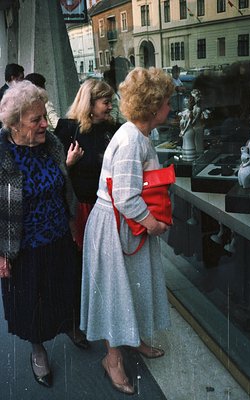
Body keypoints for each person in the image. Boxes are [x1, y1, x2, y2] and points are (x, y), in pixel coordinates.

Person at [80, 67, 175, 395]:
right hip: (116, 225)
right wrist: (154, 224)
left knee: (127, 287)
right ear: (153, 106)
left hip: (123, 225)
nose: (170, 107)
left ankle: (130, 341)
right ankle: (113, 359)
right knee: (115, 291)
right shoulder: (132, 138)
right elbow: (124, 196)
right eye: (166, 102)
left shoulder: (135, 134)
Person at [0, 80, 78, 388]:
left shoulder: (52, 144)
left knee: (64, 289)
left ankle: (70, 326)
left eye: (44, 115)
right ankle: (38, 350)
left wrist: (72, 223)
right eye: (36, 119)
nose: (45, 123)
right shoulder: (2, 154)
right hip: (23, 245)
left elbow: (62, 185)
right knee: (31, 302)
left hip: (58, 235)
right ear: (16, 124)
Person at [54, 78, 119, 346]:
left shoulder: (111, 128)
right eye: (106, 102)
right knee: (78, 268)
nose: (110, 107)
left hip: (105, 206)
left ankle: (101, 318)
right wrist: (68, 163)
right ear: (90, 104)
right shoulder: (68, 128)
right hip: (79, 208)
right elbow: (52, 175)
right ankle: (75, 322)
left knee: (104, 267)